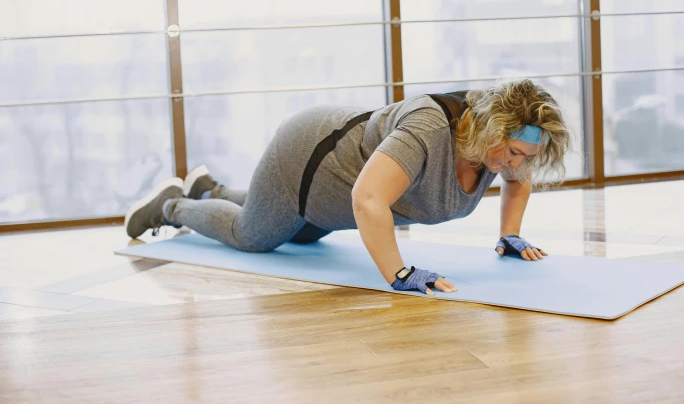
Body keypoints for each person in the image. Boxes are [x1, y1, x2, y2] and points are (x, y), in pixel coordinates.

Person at [124, 79, 571, 295]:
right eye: (510, 152)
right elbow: (367, 198)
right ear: (488, 128)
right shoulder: (430, 129)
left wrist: (509, 235)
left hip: (338, 194)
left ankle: (210, 187)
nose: (513, 165)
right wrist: (399, 274)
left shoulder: (500, 143)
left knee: (296, 231)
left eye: (524, 156)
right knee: (255, 234)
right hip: (310, 159)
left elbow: (517, 182)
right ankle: (172, 206)